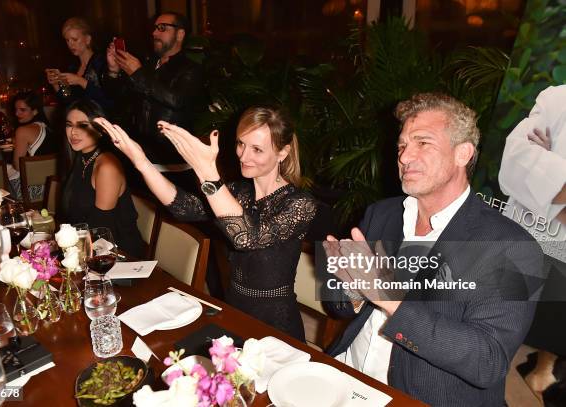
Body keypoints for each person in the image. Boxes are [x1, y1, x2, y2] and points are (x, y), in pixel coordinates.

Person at [323, 93, 542, 406]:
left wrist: (389, 298)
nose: (404, 156)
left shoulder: (514, 247)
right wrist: (352, 288)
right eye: (401, 145)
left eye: (422, 143)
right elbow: (337, 305)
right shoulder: (381, 214)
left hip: (420, 396)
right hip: (348, 371)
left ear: (462, 153)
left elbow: (487, 361)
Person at [94, 106, 317, 341]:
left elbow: (247, 238)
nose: (243, 155)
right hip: (233, 308)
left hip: (274, 324)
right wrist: (141, 161)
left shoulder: (300, 204)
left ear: (283, 153)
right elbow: (183, 206)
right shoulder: (237, 193)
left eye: (257, 149)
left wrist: (207, 171)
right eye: (241, 144)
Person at [498, 85, 566, 400]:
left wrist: (550, 171)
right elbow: (514, 166)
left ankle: (544, 369)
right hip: (527, 242)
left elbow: (539, 179)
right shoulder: (557, 98)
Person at [103, 12, 204, 192]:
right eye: (155, 28)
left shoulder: (191, 69)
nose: (155, 33)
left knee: (167, 220)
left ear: (180, 34)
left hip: (172, 165)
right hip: (140, 158)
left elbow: (176, 99)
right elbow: (119, 99)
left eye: (162, 28)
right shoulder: (147, 65)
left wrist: (138, 74)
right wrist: (113, 71)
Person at [59, 99, 143, 258]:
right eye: (69, 124)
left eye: (83, 125)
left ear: (100, 130)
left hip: (118, 255)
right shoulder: (80, 158)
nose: (73, 132)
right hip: (87, 248)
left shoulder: (107, 167)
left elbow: (102, 229)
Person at [45, 17, 110, 110]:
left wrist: (80, 81)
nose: (70, 44)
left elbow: (109, 100)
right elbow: (68, 100)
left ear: (87, 39)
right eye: (67, 40)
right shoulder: (73, 68)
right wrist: (56, 84)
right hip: (79, 121)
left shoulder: (102, 63)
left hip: (99, 122)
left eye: (74, 39)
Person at [8, 91, 56, 200]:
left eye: (22, 110)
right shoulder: (48, 127)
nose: (16, 114)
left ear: (35, 111)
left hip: (34, 191)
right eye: (16, 110)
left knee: (0, 182)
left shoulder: (22, 131)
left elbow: (18, 165)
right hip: (53, 187)